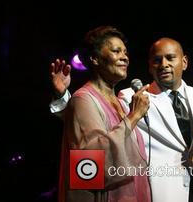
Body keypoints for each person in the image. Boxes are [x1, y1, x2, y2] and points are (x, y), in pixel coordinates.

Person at [50, 37, 193, 202]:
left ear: (184, 62)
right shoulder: (133, 97)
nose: (164, 65)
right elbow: (92, 118)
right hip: (161, 195)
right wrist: (63, 98)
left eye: (170, 58)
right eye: (157, 60)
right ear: (149, 66)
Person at [50, 26, 151, 202]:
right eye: (116, 51)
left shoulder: (120, 102)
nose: (125, 57)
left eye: (125, 52)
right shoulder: (83, 98)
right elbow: (90, 165)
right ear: (95, 59)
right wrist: (134, 116)